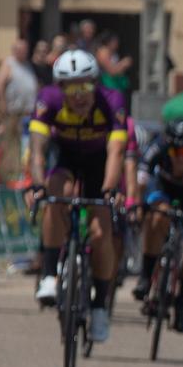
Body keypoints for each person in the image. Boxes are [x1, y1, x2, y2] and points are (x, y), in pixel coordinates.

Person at [29, 48, 128, 339]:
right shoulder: (48, 100)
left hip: (100, 165)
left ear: (95, 84)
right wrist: (36, 185)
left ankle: (99, 309)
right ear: (60, 88)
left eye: (85, 86)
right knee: (54, 194)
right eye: (71, 88)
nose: (79, 95)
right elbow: (37, 150)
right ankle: (49, 275)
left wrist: (110, 189)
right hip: (66, 159)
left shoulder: (112, 101)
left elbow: (117, 150)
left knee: (100, 233)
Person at [134, 118, 183, 333]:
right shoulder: (156, 149)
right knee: (157, 217)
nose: (180, 158)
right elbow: (140, 183)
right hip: (164, 191)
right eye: (175, 152)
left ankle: (180, 304)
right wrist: (139, 210)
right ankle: (146, 275)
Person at [0, 38, 39, 185]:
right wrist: (2, 103)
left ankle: (22, 174)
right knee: (9, 143)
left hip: (27, 112)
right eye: (21, 49)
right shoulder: (8, 64)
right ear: (14, 50)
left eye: (25, 49)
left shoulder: (27, 65)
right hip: (12, 112)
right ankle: (5, 175)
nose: (24, 52)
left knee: (25, 145)